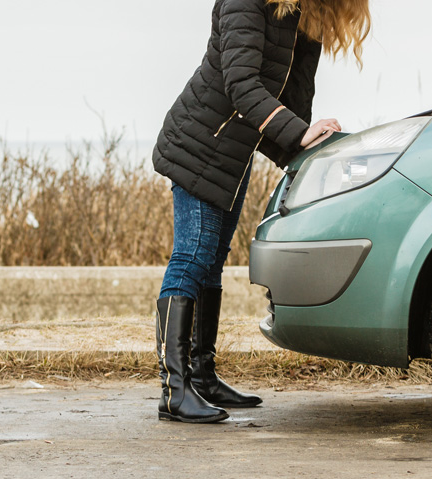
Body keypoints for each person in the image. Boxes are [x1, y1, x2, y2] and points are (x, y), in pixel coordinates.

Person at [151, 0, 370, 423]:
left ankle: (202, 375)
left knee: (211, 261)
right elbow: (241, 83)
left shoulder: (308, 14)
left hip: (232, 153)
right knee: (192, 257)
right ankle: (174, 391)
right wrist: (297, 132)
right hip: (198, 142)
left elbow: (293, 96)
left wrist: (306, 143)